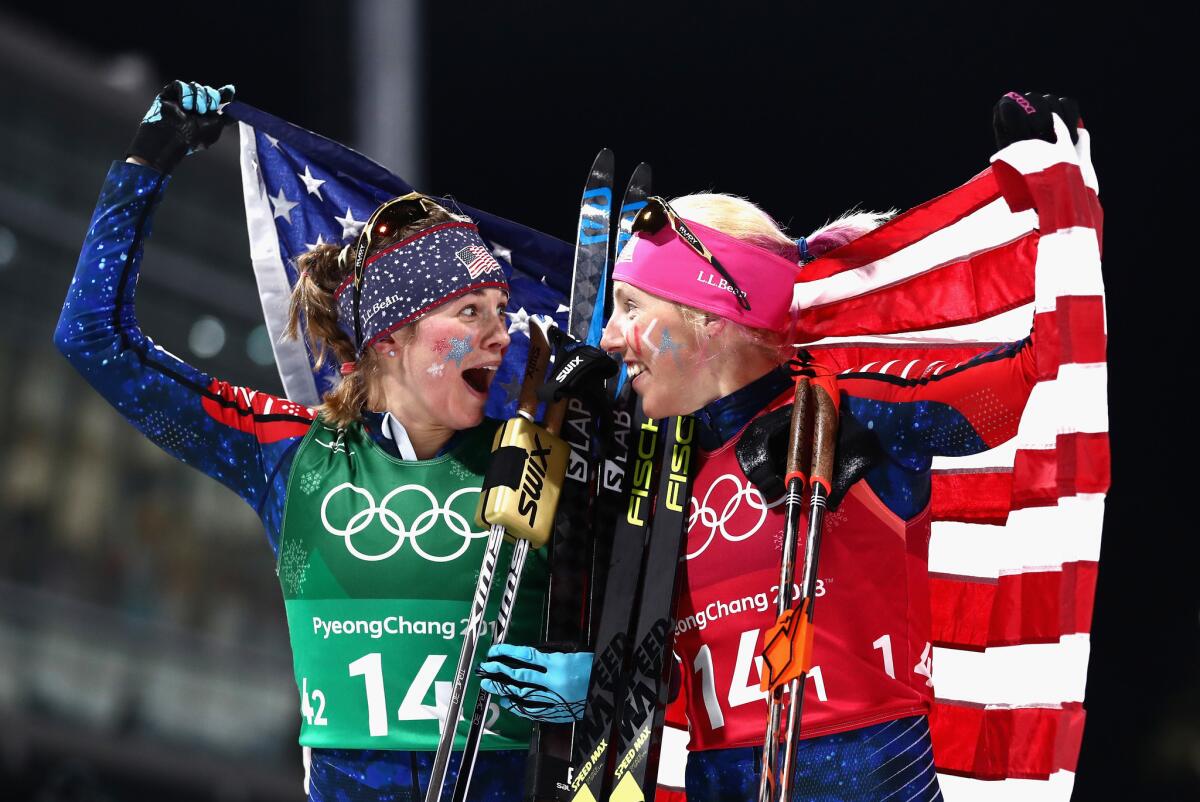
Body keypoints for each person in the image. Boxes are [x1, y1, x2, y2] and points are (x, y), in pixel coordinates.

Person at [485, 94, 1078, 800]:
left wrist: (1053, 201)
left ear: (708, 317)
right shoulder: (650, 460)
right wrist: (598, 683)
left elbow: (1035, 383)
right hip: (717, 779)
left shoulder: (842, 409)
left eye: (632, 309)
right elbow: (668, 650)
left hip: (874, 776)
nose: (611, 338)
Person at [54, 80, 547, 802]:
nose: (501, 335)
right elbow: (92, 339)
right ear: (389, 339)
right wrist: (145, 165)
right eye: (470, 311)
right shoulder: (291, 451)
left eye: (501, 311)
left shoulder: (544, 458)